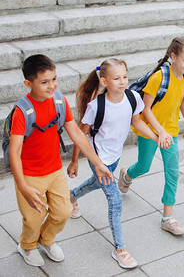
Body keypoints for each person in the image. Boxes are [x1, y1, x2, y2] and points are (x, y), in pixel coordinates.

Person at [9, 54, 113, 267]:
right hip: (29, 175)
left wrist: (98, 164)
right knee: (34, 217)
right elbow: (14, 151)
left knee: (63, 212)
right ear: (28, 84)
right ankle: (27, 246)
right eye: (44, 82)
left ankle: (46, 240)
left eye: (54, 79)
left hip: (54, 169)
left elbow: (76, 133)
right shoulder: (22, 112)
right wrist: (22, 186)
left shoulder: (59, 100)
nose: (52, 86)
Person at [67, 58, 160, 269]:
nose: (122, 82)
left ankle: (71, 197)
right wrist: (75, 161)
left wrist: (156, 138)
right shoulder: (96, 106)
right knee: (115, 200)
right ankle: (120, 249)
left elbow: (136, 122)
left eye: (125, 77)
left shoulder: (132, 97)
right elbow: (80, 136)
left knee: (96, 183)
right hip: (97, 159)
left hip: (114, 157)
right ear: (104, 81)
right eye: (116, 78)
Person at [118, 37, 184, 235]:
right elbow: (145, 109)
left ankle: (167, 218)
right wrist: (159, 131)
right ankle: (127, 175)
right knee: (143, 166)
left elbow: (183, 100)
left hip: (170, 132)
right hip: (150, 130)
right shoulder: (159, 78)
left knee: (172, 172)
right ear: (173, 57)